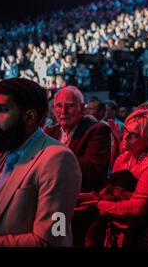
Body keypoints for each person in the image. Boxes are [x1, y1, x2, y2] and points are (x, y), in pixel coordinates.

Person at [0, 78, 81, 246]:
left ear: (29, 116)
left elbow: (52, 240)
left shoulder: (58, 159)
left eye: (2, 110)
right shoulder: (0, 152)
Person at [78, 109, 148, 247]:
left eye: (133, 135)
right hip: (117, 232)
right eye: (125, 130)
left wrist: (100, 205)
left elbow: (138, 207)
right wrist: (95, 196)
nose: (125, 137)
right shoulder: (124, 158)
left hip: (142, 236)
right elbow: (113, 191)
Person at [44, 86, 111, 246]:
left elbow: (92, 169)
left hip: (81, 211)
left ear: (82, 108)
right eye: (59, 106)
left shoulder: (97, 131)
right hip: (52, 207)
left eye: (70, 105)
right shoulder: (51, 133)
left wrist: (55, 156)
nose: (63, 111)